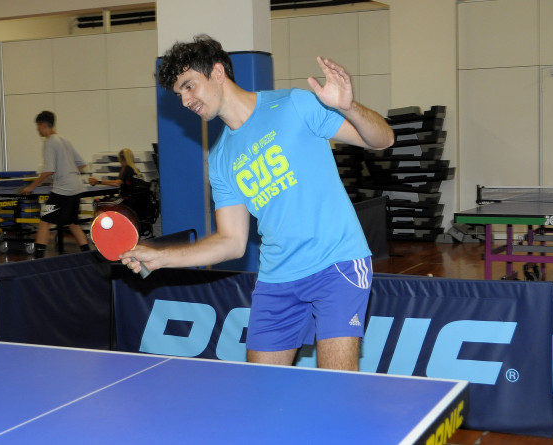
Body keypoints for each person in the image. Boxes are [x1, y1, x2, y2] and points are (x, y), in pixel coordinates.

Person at [122, 35, 394, 371]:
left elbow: (383, 140)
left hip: (336, 264)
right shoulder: (220, 159)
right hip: (276, 277)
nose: (186, 100)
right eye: (179, 94)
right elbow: (231, 242)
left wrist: (348, 106)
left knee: (336, 388)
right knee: (262, 388)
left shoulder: (294, 104)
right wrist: (160, 258)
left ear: (217, 72)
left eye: (189, 86)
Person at [19, 111, 90, 259]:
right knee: (73, 223)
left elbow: (48, 170)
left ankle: (38, 260)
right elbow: (82, 164)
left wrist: (31, 187)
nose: (38, 130)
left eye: (38, 126)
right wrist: (68, 172)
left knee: (44, 222)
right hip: (76, 186)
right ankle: (88, 255)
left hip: (63, 189)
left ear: (43, 125)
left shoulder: (49, 142)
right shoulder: (65, 140)